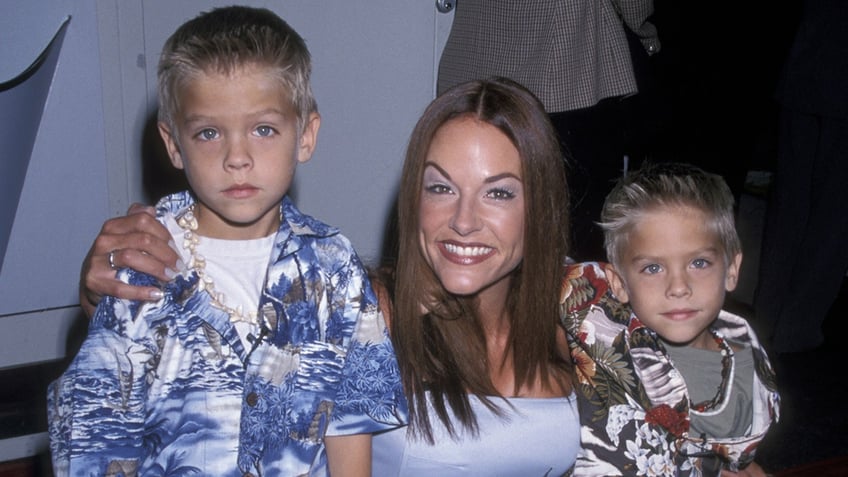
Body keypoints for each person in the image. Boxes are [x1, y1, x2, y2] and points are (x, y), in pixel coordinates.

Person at [77, 77, 582, 474]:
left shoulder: (581, 315)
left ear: (540, 205)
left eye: (499, 193)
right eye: (440, 188)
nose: (464, 220)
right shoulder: (357, 306)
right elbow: (221, 321)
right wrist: (102, 294)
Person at [47, 6, 405, 476]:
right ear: (174, 143)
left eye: (263, 129)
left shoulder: (333, 267)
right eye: (209, 133)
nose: (238, 157)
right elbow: (99, 434)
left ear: (305, 135)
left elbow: (351, 419)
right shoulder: (143, 263)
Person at [560, 162, 779, 475]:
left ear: (731, 269)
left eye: (699, 263)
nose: (678, 287)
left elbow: (736, 464)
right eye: (653, 268)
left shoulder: (747, 372)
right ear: (619, 282)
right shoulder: (594, 323)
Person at [437, 0, 662, 262]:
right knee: (574, 235)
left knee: (483, 220)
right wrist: (646, 32)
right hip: (568, 72)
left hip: (475, 67)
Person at [752, 0, 848, 355]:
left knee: (790, 207)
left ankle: (766, 320)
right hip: (824, 69)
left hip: (806, 67)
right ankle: (797, 327)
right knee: (833, 215)